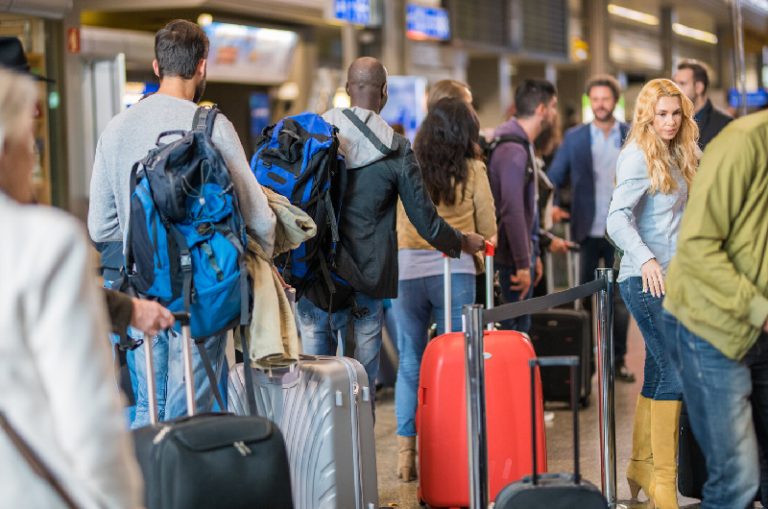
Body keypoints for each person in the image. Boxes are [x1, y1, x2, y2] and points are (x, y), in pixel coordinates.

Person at [88, 19, 276, 427]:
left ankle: (150, 489)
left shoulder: (116, 129)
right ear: (202, 67)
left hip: (140, 292)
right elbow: (260, 217)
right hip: (202, 294)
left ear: (157, 67)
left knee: (147, 407)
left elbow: (100, 226)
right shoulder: (211, 126)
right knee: (195, 410)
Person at [296, 57, 484, 412]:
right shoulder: (396, 150)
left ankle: (321, 461)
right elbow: (425, 222)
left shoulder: (312, 135)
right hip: (367, 281)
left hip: (313, 279)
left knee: (316, 387)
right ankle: (358, 461)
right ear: (384, 93)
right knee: (359, 390)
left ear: (348, 89)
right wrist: (462, 241)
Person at [0, 67, 143, 508]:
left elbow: (101, 221)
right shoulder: (45, 242)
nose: (33, 154)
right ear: (5, 149)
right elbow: (89, 419)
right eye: (30, 140)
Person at [662, 109, 768, 509]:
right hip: (708, 328)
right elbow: (698, 247)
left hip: (758, 327)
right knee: (736, 478)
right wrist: (760, 309)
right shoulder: (743, 145)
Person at [391, 97, 496, 481]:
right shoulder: (473, 170)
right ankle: (454, 449)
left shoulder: (406, 163)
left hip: (406, 271)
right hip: (456, 271)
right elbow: (486, 225)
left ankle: (407, 455)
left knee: (409, 360)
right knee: (457, 362)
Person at [607, 78, 699, 509]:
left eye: (675, 113)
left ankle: (641, 466)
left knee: (661, 373)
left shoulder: (681, 152)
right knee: (675, 374)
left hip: (675, 281)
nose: (669, 121)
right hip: (644, 280)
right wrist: (644, 259)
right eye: (661, 113)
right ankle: (664, 483)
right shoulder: (636, 156)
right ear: (647, 114)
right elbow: (616, 218)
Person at [548, 75, 634, 382]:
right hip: (585, 229)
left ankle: (618, 359)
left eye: (606, 99)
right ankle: (587, 362)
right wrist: (553, 205)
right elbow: (553, 176)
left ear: (615, 101)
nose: (600, 104)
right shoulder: (575, 138)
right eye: (595, 99)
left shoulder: (631, 134)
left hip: (621, 232)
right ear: (590, 102)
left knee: (621, 300)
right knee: (584, 298)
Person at [488, 79, 557, 332]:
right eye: (553, 106)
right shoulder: (512, 149)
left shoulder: (521, 144)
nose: (555, 113)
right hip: (509, 263)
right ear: (541, 109)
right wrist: (521, 262)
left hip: (518, 256)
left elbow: (529, 207)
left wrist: (533, 253)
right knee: (513, 336)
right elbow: (513, 209)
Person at [673, 61, 732, 149]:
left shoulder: (724, 125)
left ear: (698, 87)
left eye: (682, 83)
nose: (675, 89)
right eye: (674, 83)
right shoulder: (673, 120)